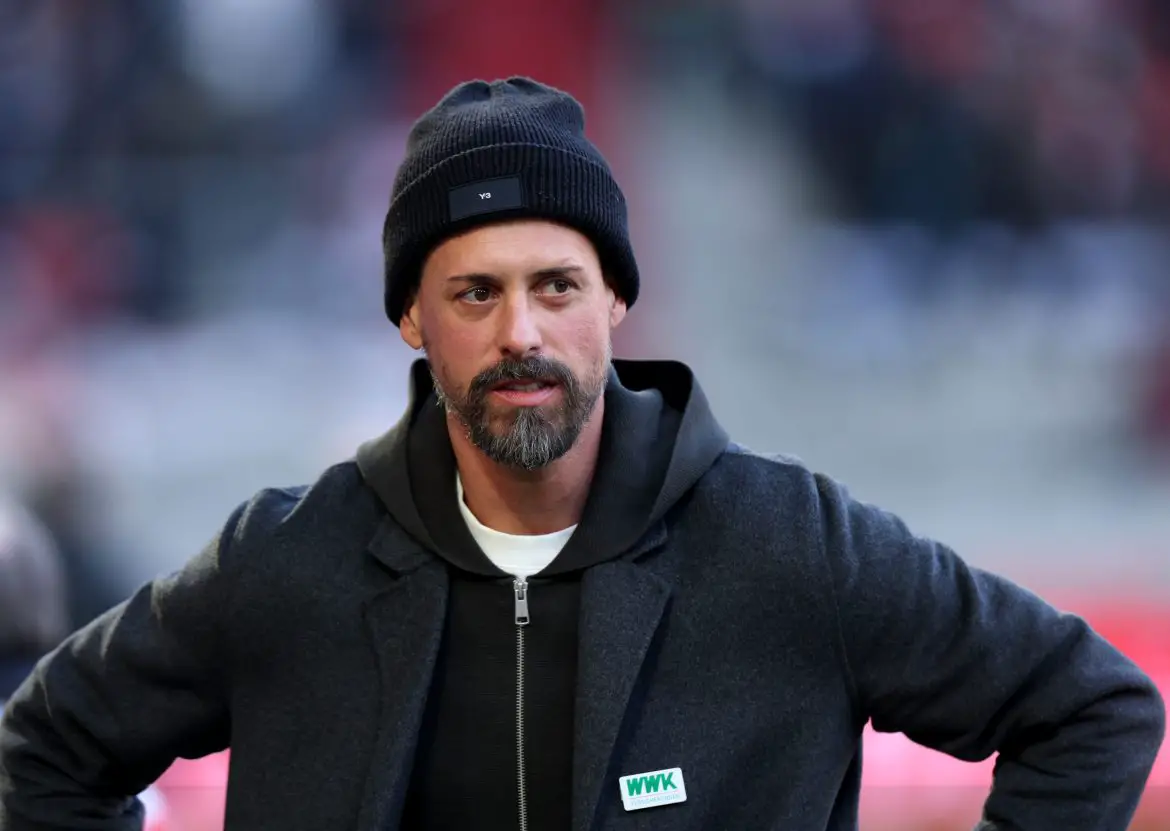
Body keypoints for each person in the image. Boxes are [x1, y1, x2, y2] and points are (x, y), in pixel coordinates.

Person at [0, 77, 1164, 831]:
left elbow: (1091, 709)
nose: (521, 332)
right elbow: (45, 751)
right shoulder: (286, 561)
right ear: (410, 318)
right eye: (475, 292)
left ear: (615, 300)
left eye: (556, 286)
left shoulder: (787, 544)